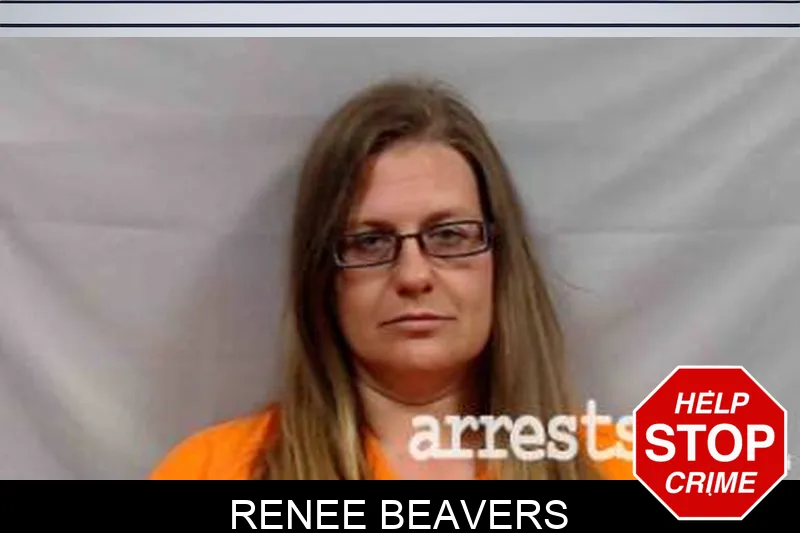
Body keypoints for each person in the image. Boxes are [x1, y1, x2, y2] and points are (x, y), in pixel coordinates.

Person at [150, 78, 633, 481]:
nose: (413, 275)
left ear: (501, 260)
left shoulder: (622, 469)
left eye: (449, 235)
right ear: (322, 277)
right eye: (369, 242)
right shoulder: (211, 472)